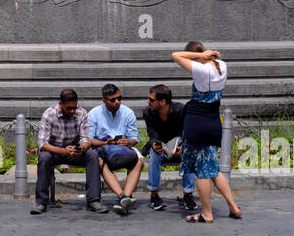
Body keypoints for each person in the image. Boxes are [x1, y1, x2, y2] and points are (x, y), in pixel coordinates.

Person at [171, 43, 242, 222]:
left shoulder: (201, 70)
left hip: (197, 122)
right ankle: (233, 206)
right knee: (212, 168)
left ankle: (207, 213)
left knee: (201, 171)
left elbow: (176, 55)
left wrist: (200, 57)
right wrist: (206, 55)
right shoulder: (222, 66)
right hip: (213, 120)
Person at [32, 88, 106, 215]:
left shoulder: (81, 113)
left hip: (74, 151)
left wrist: (81, 148)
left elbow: (86, 139)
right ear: (61, 104)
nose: (72, 111)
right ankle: (41, 202)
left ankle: (94, 200)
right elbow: (43, 144)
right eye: (69, 108)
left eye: (74, 108)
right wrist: (62, 151)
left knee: (92, 155)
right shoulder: (49, 114)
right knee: (44, 157)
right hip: (54, 151)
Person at [86, 83, 143, 216]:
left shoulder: (127, 112)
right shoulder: (94, 114)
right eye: (113, 99)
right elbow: (89, 139)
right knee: (99, 161)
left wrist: (127, 141)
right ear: (104, 100)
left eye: (119, 98)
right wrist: (105, 142)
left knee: (140, 160)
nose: (117, 102)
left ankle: (125, 198)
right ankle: (122, 196)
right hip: (102, 147)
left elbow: (134, 138)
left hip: (124, 149)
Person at [141, 84, 196, 211]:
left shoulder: (181, 110)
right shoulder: (148, 112)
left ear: (162, 101)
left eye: (151, 100)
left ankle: (188, 194)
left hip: (179, 144)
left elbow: (187, 131)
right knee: (154, 155)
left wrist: (183, 147)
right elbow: (152, 134)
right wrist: (155, 144)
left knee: (189, 154)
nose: (148, 102)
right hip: (161, 146)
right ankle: (154, 195)